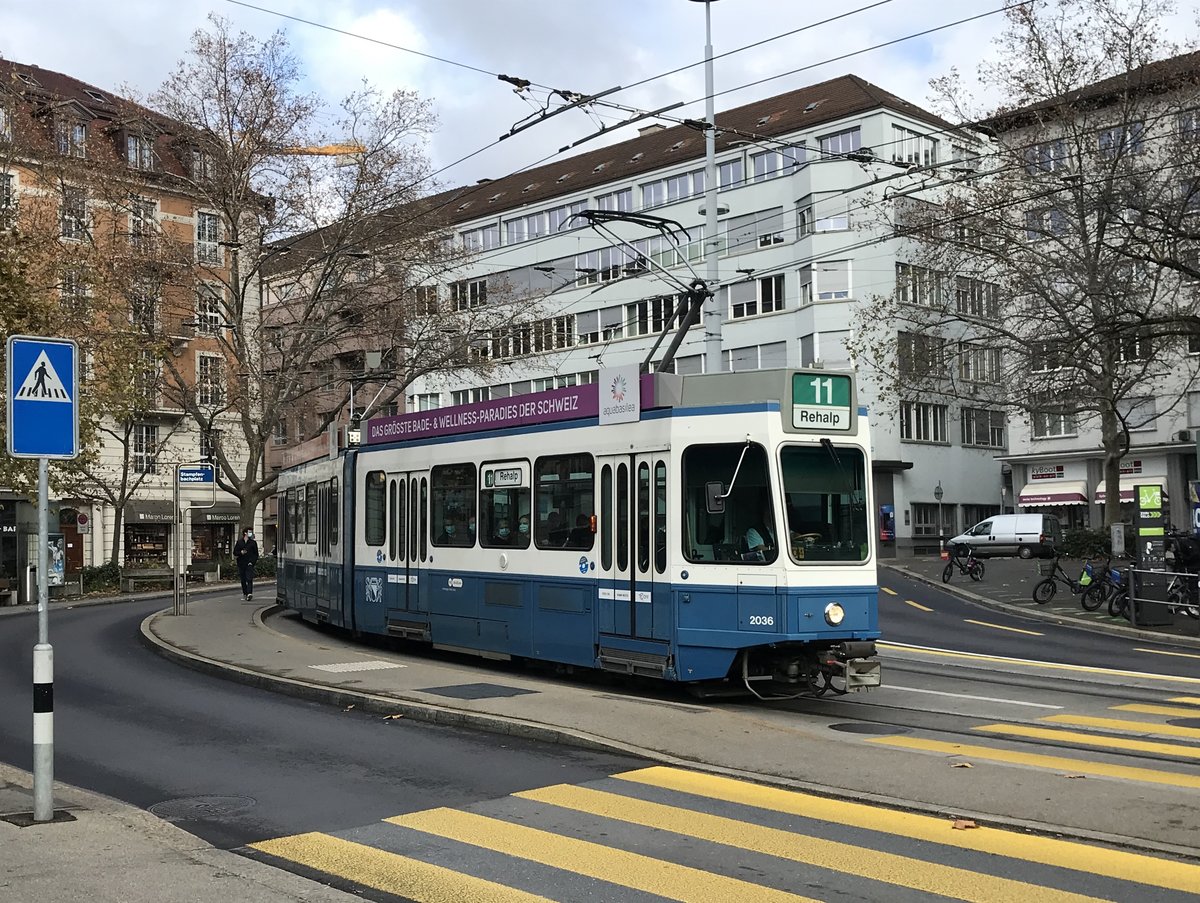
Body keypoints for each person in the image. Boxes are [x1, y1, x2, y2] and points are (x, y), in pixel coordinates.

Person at [233, 527, 259, 601]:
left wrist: (252, 562)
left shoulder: (253, 543)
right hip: (241, 563)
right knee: (243, 579)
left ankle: (249, 593)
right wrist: (240, 552)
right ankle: (245, 593)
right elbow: (235, 552)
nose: (251, 533)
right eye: (249, 532)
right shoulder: (239, 542)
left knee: (249, 578)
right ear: (245, 533)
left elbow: (256, 554)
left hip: (249, 563)